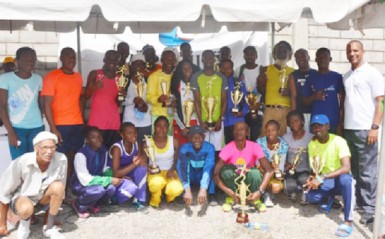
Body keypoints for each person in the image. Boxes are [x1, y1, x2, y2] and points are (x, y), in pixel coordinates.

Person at [343, 40, 384, 225]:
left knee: (368, 171)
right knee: (356, 170)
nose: (352, 53)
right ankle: (360, 203)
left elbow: (381, 102)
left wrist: (374, 127)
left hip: (367, 129)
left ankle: (370, 209)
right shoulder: (346, 76)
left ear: (363, 51)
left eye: (355, 50)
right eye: (349, 51)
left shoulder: (373, 73)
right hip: (349, 129)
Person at [0, 131, 67, 239]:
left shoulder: (61, 159)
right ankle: (24, 225)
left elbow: (60, 189)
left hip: (42, 197)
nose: (49, 151)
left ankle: (48, 227)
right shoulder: (23, 161)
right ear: (36, 148)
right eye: (45, 147)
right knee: (26, 208)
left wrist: (47, 219)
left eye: (52, 147)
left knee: (58, 187)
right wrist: (2, 225)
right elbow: (5, 191)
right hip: (23, 198)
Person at [304, 114, 354, 237]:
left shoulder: (339, 141)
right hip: (325, 179)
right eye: (314, 127)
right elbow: (315, 167)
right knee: (310, 197)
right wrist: (313, 178)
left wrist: (322, 177)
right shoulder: (312, 144)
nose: (317, 129)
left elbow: (346, 167)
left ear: (328, 126)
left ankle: (348, 220)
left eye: (320, 126)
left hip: (339, 178)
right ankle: (332, 198)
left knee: (347, 180)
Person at [42, 47, 84, 191]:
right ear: (61, 58)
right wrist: (53, 128)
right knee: (60, 159)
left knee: (74, 158)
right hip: (61, 125)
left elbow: (79, 99)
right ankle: (56, 191)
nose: (71, 59)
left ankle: (68, 189)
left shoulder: (78, 77)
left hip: (77, 124)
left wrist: (83, 119)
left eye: (73, 57)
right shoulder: (52, 76)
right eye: (68, 56)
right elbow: (46, 104)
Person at [214, 122, 273, 212]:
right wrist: (227, 191)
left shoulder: (254, 146)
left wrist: (260, 191)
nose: (238, 131)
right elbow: (215, 173)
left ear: (247, 133)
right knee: (226, 171)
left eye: (242, 129)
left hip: (249, 181)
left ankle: (255, 199)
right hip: (234, 183)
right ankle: (231, 198)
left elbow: (269, 170)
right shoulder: (228, 148)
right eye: (236, 129)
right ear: (233, 132)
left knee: (255, 173)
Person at [0, 47, 44, 160]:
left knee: (36, 163)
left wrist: (41, 122)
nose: (30, 62)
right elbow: (2, 106)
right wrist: (10, 131)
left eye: (33, 59)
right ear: (17, 61)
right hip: (16, 128)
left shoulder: (38, 79)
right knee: (19, 164)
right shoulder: (5, 79)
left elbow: (40, 103)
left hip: (37, 127)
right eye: (26, 59)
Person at [71, 127, 122, 218]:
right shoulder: (81, 154)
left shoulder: (103, 150)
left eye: (100, 136)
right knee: (99, 190)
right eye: (93, 137)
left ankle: (91, 203)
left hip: (97, 181)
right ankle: (78, 204)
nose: (98, 139)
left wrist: (113, 176)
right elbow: (84, 179)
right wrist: (109, 179)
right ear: (87, 140)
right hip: (80, 185)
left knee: (111, 188)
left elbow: (105, 168)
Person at [191, 50, 228, 153]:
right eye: (206, 57)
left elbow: (224, 100)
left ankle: (216, 169)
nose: (208, 60)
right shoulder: (196, 77)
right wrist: (201, 122)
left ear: (214, 60)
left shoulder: (221, 77)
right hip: (202, 120)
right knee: (202, 148)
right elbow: (197, 101)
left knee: (217, 150)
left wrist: (221, 119)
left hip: (218, 120)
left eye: (210, 57)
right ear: (202, 59)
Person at [85, 50, 123, 148]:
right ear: (104, 60)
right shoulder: (95, 74)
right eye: (110, 59)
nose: (112, 62)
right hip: (97, 122)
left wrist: (122, 94)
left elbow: (119, 102)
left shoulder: (120, 78)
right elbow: (85, 96)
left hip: (113, 122)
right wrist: (94, 87)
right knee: (96, 152)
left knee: (111, 152)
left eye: (115, 60)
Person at [303, 47, 344, 135]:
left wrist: (340, 123)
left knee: (333, 148)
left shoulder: (337, 77)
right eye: (319, 58)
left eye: (325, 57)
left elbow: (343, 102)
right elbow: (305, 102)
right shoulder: (310, 78)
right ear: (316, 60)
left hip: (333, 122)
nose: (322, 60)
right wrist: (314, 96)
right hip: (316, 124)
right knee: (316, 148)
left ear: (330, 59)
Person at [145, 116, 183, 208]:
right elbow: (142, 160)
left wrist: (172, 169)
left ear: (168, 127)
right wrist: (147, 167)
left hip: (169, 171)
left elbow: (176, 159)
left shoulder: (174, 141)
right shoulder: (147, 142)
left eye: (165, 126)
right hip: (154, 173)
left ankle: (169, 196)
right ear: (154, 126)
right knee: (157, 183)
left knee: (176, 188)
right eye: (159, 126)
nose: (162, 129)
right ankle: (155, 198)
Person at [257, 41, 294, 136]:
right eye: (279, 52)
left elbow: (296, 93)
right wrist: (261, 83)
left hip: (286, 111)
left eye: (284, 52)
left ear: (289, 55)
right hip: (270, 110)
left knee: (284, 140)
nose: (281, 55)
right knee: (265, 138)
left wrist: (289, 92)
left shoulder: (293, 72)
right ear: (274, 55)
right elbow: (261, 91)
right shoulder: (265, 69)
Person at [109, 122, 148, 211]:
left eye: (135, 132)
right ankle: (113, 198)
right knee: (131, 188)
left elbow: (140, 163)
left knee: (142, 169)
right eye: (129, 133)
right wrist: (134, 164)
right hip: (113, 177)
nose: (133, 135)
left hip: (127, 173)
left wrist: (143, 162)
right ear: (122, 135)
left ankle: (138, 199)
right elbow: (116, 173)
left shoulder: (136, 144)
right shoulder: (117, 148)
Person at [177, 125, 216, 208]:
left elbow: (208, 168)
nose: (197, 140)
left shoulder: (210, 148)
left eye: (200, 137)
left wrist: (203, 188)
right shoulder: (184, 148)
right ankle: (183, 192)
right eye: (194, 137)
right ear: (189, 138)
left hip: (202, 174)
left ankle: (211, 193)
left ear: (204, 137)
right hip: (191, 174)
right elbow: (183, 168)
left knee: (213, 168)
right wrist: (187, 189)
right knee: (179, 166)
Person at [257, 120, 288, 207]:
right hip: (261, 170)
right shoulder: (259, 142)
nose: (270, 133)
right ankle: (266, 195)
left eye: (273, 130)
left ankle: (269, 190)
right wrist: (265, 169)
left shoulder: (284, 145)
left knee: (276, 187)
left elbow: (281, 166)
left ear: (278, 130)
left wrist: (276, 175)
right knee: (260, 172)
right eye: (268, 130)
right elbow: (257, 162)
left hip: (275, 172)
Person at [282, 110, 312, 201]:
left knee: (304, 180)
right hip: (290, 170)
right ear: (288, 124)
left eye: (296, 120)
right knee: (289, 187)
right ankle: (294, 190)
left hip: (304, 170)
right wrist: (286, 163)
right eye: (291, 121)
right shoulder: (285, 137)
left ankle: (303, 190)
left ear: (302, 121)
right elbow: (281, 155)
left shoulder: (311, 138)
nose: (294, 123)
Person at [146, 48, 177, 134]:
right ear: (162, 60)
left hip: (173, 116)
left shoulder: (177, 76)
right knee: (157, 143)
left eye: (172, 60)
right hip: (158, 116)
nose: (170, 62)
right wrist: (158, 99)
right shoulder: (153, 76)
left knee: (170, 143)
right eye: (167, 59)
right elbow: (149, 97)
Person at [123, 52, 151, 144]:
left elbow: (152, 97)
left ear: (144, 66)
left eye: (141, 63)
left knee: (145, 146)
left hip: (146, 120)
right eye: (136, 63)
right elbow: (119, 100)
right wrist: (132, 100)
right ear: (131, 65)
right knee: (130, 146)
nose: (138, 66)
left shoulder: (149, 80)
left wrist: (145, 103)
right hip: (129, 119)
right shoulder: (125, 80)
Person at [236, 46, 262, 141]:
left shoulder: (262, 69)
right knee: (243, 137)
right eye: (247, 54)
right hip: (243, 110)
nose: (250, 56)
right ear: (244, 56)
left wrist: (259, 104)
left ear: (256, 56)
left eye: (252, 54)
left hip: (257, 109)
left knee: (255, 136)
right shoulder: (239, 70)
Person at [288, 49, 317, 130]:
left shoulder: (315, 73)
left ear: (308, 57)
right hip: (300, 113)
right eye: (298, 57)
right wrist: (293, 115)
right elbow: (293, 97)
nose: (301, 59)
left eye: (303, 56)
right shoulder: (293, 75)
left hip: (314, 112)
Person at [171, 60, 198, 145]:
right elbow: (173, 109)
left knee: (193, 149)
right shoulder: (176, 84)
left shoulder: (196, 84)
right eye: (184, 69)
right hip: (180, 124)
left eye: (189, 68)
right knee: (181, 151)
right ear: (180, 70)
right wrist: (182, 127)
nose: (187, 71)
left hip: (194, 122)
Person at [221, 59, 248, 144]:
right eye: (223, 68)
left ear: (232, 69)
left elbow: (246, 101)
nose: (226, 71)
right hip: (222, 123)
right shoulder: (217, 83)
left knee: (239, 147)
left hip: (237, 121)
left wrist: (242, 112)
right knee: (225, 149)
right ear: (220, 69)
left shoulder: (238, 83)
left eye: (229, 68)